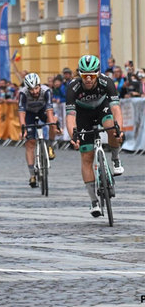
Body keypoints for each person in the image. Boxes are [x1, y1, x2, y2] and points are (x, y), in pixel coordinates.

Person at [66, 55, 124, 218]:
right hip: (83, 114)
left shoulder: (107, 82)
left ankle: (115, 157)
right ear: (80, 75)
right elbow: (70, 116)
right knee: (86, 157)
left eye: (92, 75)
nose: (89, 79)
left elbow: (116, 109)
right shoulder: (73, 87)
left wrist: (119, 128)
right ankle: (93, 201)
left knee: (112, 129)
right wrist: (73, 136)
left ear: (98, 73)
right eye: (85, 75)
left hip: (102, 108)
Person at [18, 73, 59, 187]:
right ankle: (32, 175)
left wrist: (53, 126)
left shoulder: (46, 91)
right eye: (31, 89)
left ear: (40, 85)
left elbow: (50, 111)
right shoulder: (23, 93)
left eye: (36, 88)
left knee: (52, 123)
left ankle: (50, 146)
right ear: (27, 88)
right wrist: (23, 128)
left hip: (42, 110)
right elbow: (21, 113)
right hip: (29, 113)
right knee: (30, 143)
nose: (35, 92)